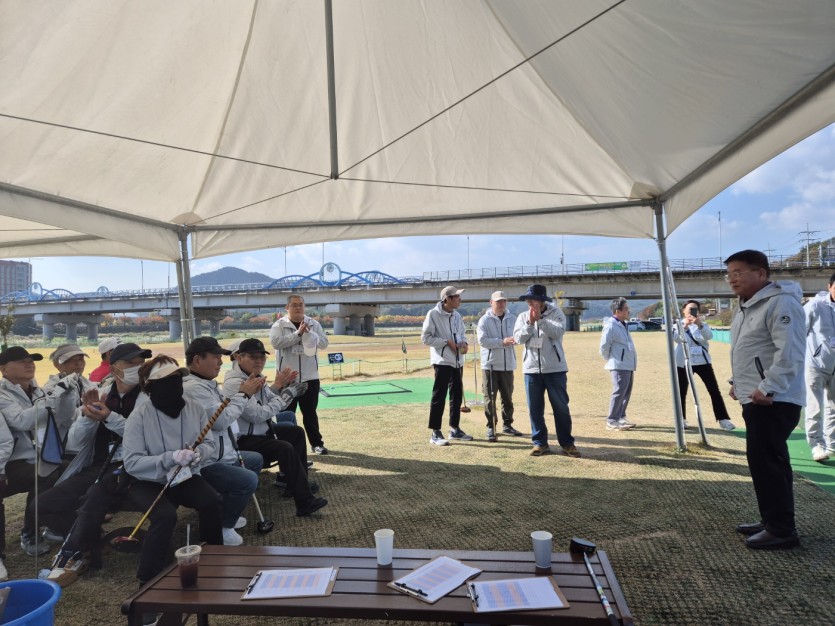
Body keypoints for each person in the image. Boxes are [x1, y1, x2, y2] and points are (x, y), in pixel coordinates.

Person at [43, 342, 152, 586]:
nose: (138, 368)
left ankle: (74, 551)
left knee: (94, 494)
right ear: (114, 369)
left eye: (141, 363)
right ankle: (92, 538)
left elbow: (144, 437)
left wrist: (109, 417)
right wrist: (87, 417)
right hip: (98, 463)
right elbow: (75, 441)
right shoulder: (102, 392)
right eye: (131, 363)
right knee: (42, 506)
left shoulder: (149, 396)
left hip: (131, 464)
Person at [725, 249, 805, 550]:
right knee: (761, 462)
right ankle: (771, 521)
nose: (732, 279)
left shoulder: (781, 303)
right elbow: (751, 349)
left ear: (761, 273)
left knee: (770, 462)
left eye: (738, 273)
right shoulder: (746, 305)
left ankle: (782, 530)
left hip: (773, 399)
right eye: (729, 274)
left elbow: (790, 352)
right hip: (757, 395)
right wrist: (738, 383)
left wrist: (769, 387)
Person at [122, 355, 223, 584]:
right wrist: (171, 457)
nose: (174, 385)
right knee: (165, 515)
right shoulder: (139, 416)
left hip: (183, 476)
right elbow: (132, 462)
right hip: (146, 480)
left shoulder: (194, 408)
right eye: (165, 381)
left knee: (211, 500)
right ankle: (147, 579)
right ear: (150, 387)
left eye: (177, 379)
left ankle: (215, 558)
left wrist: (199, 454)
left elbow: (209, 443)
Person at [223, 338, 328, 517]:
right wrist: (286, 395)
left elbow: (271, 401)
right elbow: (257, 415)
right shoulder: (236, 383)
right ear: (239, 358)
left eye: (262, 357)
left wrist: (284, 391)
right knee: (284, 447)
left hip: (259, 431)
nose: (259, 361)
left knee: (295, 432)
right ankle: (304, 502)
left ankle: (295, 485)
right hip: (243, 439)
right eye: (253, 357)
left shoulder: (254, 377)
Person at [182, 337, 265, 546]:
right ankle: (223, 526)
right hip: (203, 461)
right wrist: (244, 395)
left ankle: (226, 510)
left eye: (221, 357)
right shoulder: (193, 388)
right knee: (247, 480)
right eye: (215, 357)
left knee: (254, 459)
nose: (220, 362)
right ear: (197, 360)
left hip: (220, 453)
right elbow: (220, 420)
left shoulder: (207, 384)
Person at [0, 346, 75, 561]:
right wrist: (51, 397)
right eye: (21, 361)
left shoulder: (38, 391)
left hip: (41, 455)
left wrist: (67, 395)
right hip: (11, 462)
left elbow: (64, 419)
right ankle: (30, 532)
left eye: (31, 360)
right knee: (44, 474)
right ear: (3, 369)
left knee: (70, 470)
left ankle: (54, 524)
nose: (29, 364)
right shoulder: (2, 394)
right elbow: (22, 421)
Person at [513, 284, 579, 457]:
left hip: (555, 369)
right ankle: (540, 443)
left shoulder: (556, 313)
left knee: (561, 408)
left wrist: (540, 320)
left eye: (533, 299)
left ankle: (567, 443)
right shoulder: (523, 316)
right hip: (531, 369)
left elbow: (557, 332)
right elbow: (518, 339)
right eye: (528, 300)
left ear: (542, 300)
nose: (530, 303)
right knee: (534, 409)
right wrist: (530, 323)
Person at [270, 295, 329, 454]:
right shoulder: (279, 325)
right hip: (287, 379)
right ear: (287, 307)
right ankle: (288, 447)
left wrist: (311, 336)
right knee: (286, 413)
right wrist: (298, 334)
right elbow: (276, 343)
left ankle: (316, 444)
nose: (298, 308)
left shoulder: (313, 324)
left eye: (301, 305)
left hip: (310, 377)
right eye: (294, 305)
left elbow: (324, 343)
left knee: (310, 413)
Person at [673, 300, 736, 431]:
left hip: (702, 361)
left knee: (714, 391)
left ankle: (723, 419)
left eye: (695, 309)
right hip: (683, 362)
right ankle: (681, 419)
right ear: (683, 311)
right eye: (689, 309)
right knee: (681, 391)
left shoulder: (702, 324)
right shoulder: (678, 325)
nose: (692, 312)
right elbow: (676, 339)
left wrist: (699, 324)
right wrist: (685, 326)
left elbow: (708, 336)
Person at [422, 286, 473, 446]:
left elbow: (462, 334)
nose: (460, 300)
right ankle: (435, 432)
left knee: (456, 396)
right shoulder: (433, 314)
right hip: (442, 361)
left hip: (458, 361)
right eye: (457, 297)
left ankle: (454, 429)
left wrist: (464, 343)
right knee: (439, 396)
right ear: (448, 299)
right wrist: (446, 342)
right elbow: (426, 338)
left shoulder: (457, 315)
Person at [477, 290, 521, 442]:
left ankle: (507, 425)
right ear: (491, 303)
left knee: (507, 398)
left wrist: (517, 340)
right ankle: (491, 427)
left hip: (508, 365)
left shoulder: (513, 318)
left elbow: (519, 336)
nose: (501, 304)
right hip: (490, 366)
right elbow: (482, 341)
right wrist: (502, 342)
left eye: (503, 301)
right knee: (490, 398)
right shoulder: (484, 320)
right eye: (498, 301)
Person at [803, 272, 835, 462]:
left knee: (833, 406)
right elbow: (800, 331)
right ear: (829, 286)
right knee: (815, 405)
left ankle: (832, 444)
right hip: (815, 364)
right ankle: (816, 444)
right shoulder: (815, 305)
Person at [600, 297, 637, 431]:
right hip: (618, 364)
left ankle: (620, 416)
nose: (628, 311)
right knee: (619, 391)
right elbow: (604, 347)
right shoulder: (610, 326)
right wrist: (612, 359)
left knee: (625, 392)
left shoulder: (622, 324)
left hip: (627, 364)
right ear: (618, 311)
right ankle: (611, 420)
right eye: (626, 309)